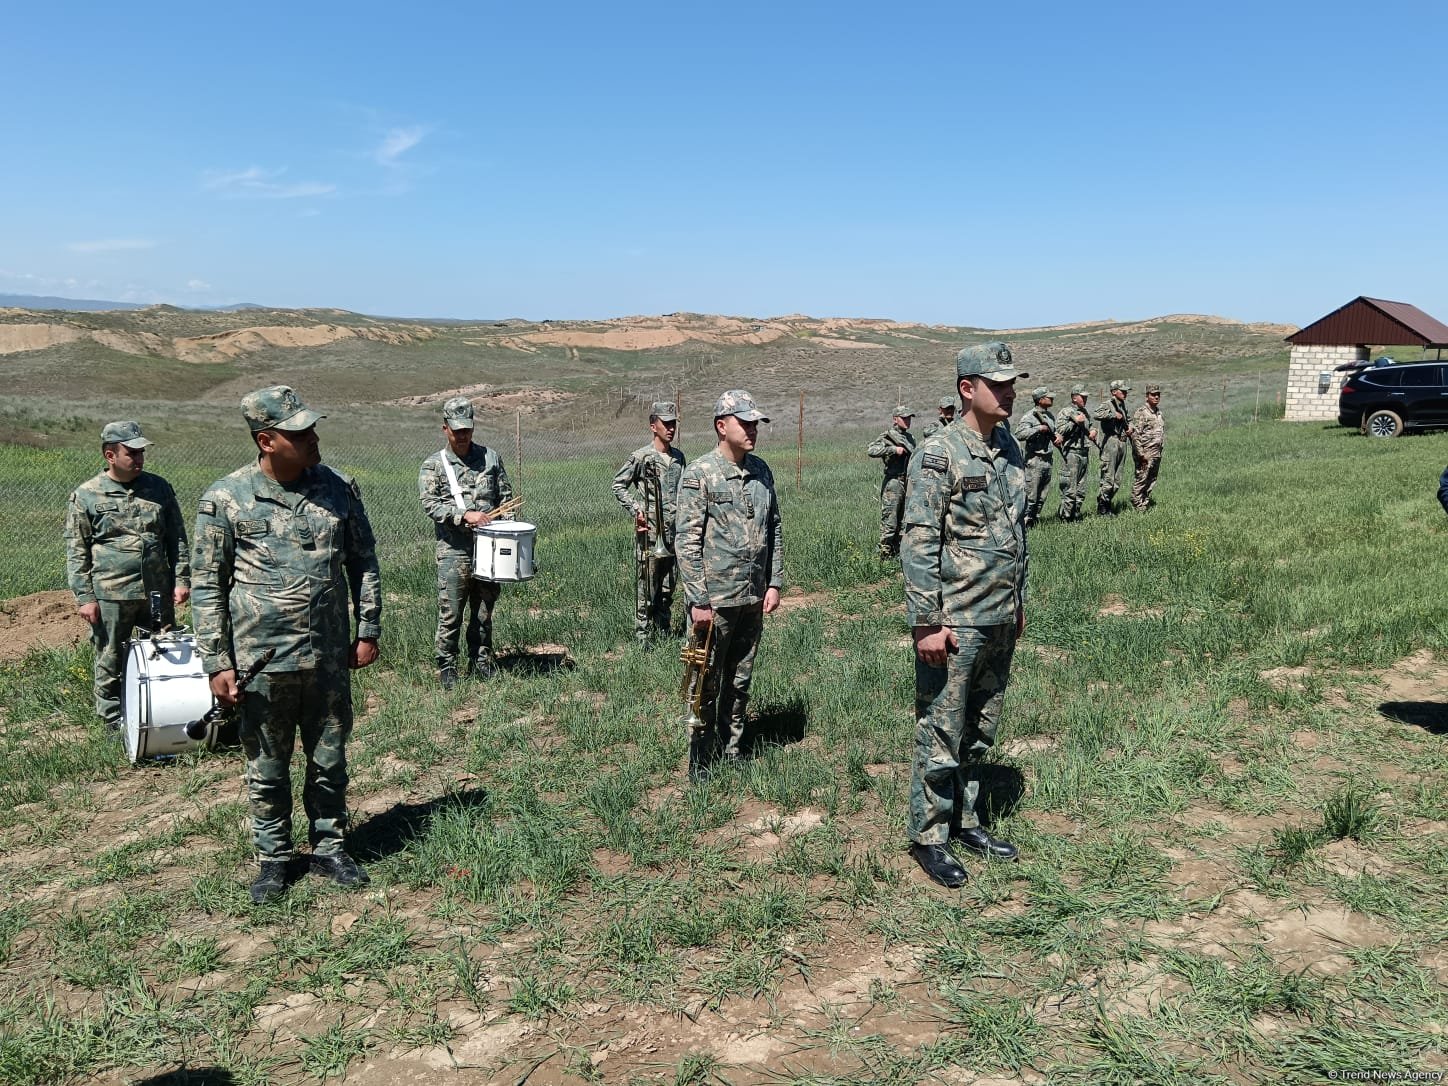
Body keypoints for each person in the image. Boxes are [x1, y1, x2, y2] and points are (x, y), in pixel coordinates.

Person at [192, 386, 382, 905]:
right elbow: (208, 586)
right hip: (261, 660)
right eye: (299, 433)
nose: (313, 438)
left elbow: (363, 562)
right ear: (266, 440)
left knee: (329, 756)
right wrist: (217, 661)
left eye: (311, 428)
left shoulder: (338, 490)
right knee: (267, 764)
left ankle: (330, 845)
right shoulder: (226, 499)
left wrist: (367, 630)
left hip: (326, 655)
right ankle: (274, 858)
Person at [902, 341, 1028, 889]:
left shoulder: (1011, 449)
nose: (1009, 391)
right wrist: (927, 621)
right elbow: (921, 538)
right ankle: (929, 836)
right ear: (966, 388)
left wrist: (1017, 601)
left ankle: (968, 819)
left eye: (1010, 382)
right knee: (942, 731)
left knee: (980, 730)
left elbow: (1018, 533)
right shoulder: (939, 453)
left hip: (999, 613)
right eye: (997, 383)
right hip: (955, 618)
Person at [674, 390, 784, 773]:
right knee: (705, 681)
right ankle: (701, 760)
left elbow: (775, 529)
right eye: (745, 422)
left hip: (752, 596)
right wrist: (698, 599)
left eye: (756, 423)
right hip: (714, 601)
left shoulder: (762, 471)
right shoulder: (700, 473)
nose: (753, 429)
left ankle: (731, 750)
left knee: (739, 680)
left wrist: (774, 582)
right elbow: (686, 540)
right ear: (722, 426)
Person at [64, 421, 191, 731]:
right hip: (112, 593)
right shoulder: (87, 495)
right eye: (131, 453)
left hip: (156, 591)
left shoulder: (159, 488)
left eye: (141, 453)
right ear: (110, 454)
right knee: (110, 657)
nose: (139, 459)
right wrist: (85, 597)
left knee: (163, 651)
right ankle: (112, 720)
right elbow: (76, 550)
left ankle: (163, 713)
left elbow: (176, 538)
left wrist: (181, 579)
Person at [418, 397, 514, 689]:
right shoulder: (434, 465)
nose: (463, 435)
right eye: (456, 430)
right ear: (445, 428)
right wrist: (464, 515)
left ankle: (481, 660)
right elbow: (430, 504)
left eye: (467, 429)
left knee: (485, 608)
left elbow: (506, 498)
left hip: (490, 548)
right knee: (451, 610)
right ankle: (447, 665)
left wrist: (505, 522)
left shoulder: (491, 459)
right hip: (454, 550)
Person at [611, 401, 686, 648]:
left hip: (674, 534)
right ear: (653, 426)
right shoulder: (641, 456)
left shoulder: (679, 458)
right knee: (646, 587)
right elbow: (618, 484)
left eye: (673, 423)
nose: (671, 428)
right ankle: (643, 637)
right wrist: (636, 509)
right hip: (650, 534)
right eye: (666, 424)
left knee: (667, 587)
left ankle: (663, 631)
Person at [866, 405, 916, 559]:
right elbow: (871, 450)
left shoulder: (910, 438)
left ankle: (897, 551)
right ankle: (884, 554)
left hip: (907, 481)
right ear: (895, 419)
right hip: (893, 481)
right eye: (904, 418)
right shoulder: (888, 436)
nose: (907, 421)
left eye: (909, 418)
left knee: (904, 519)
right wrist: (893, 450)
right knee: (890, 519)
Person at [1011, 388, 1060, 528]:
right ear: (1040, 400)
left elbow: (1054, 432)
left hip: (1047, 459)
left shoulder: (1049, 415)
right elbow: (1019, 433)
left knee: (1042, 495)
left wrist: (1058, 437)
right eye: (1048, 397)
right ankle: (1025, 523)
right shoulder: (1030, 416)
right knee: (1031, 496)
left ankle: (1034, 521)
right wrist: (1038, 429)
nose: (1051, 399)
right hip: (1034, 460)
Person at [1054, 385, 1096, 522]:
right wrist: (1074, 423)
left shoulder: (1085, 412)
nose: (1085, 399)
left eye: (1086, 396)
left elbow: (1091, 426)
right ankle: (1065, 517)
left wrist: (1094, 431)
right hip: (1071, 453)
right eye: (1082, 396)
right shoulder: (1066, 412)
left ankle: (1076, 514)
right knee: (1070, 489)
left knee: (1081, 489)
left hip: (1084, 452)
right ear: (1074, 397)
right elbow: (1059, 431)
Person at [1093, 379, 1133, 515]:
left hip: (1122, 442)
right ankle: (1103, 506)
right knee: (1108, 477)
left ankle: (1108, 502)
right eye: (1122, 391)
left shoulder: (1122, 405)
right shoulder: (1107, 404)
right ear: (1114, 392)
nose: (1125, 393)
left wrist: (1130, 428)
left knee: (1118, 478)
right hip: (1111, 442)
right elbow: (1096, 414)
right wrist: (1112, 415)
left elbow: (1129, 420)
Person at [1129, 383, 1165, 510]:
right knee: (1141, 479)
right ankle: (1137, 505)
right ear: (1147, 396)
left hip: (1156, 453)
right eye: (1153, 395)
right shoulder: (1141, 413)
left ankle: (1145, 503)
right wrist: (1141, 454)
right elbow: (1135, 435)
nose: (1156, 397)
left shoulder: (1158, 413)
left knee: (1151, 480)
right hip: (1145, 453)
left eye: (1158, 395)